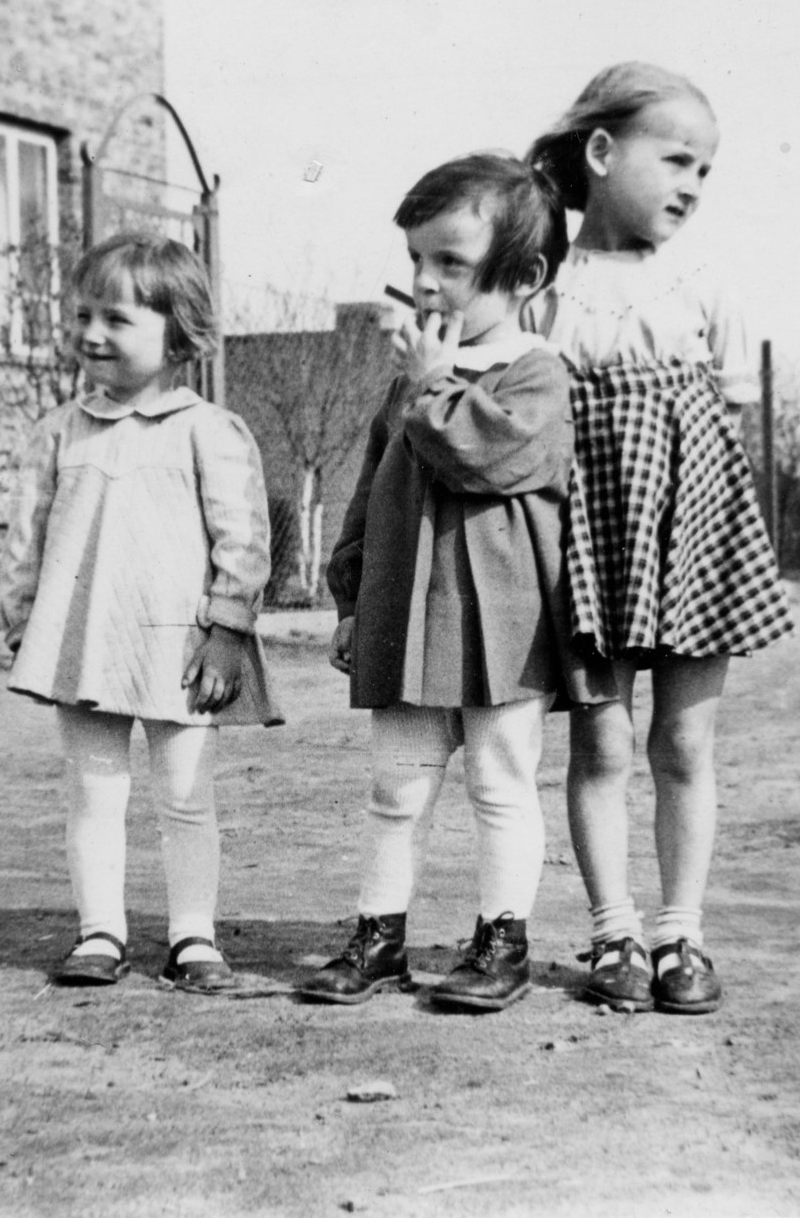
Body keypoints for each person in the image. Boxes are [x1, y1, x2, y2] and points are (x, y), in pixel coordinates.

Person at [526, 62, 792, 1015]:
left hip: (692, 535)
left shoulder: (704, 285)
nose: (691, 185)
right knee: (600, 745)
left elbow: (730, 431)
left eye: (705, 170)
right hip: (586, 539)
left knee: (683, 740)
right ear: (601, 152)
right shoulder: (541, 290)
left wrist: (709, 538)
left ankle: (682, 933)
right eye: (675, 160)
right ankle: (614, 934)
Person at [298, 153, 580, 1012]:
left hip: (504, 628)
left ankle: (501, 943)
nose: (423, 282)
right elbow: (368, 494)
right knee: (397, 786)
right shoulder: (409, 384)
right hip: (408, 619)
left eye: (450, 263)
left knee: (499, 782)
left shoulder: (537, 374)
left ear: (524, 277)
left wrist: (430, 386)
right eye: (416, 258)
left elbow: (486, 457)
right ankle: (378, 938)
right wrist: (352, 600)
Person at [0, 232, 281, 995]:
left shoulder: (207, 430)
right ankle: (99, 932)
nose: (92, 333)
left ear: (178, 334)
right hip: (84, 642)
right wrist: (24, 622)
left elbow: (242, 538)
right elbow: (26, 537)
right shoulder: (58, 432)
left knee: (186, 796)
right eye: (83, 315)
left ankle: (193, 936)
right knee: (93, 791)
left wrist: (228, 630)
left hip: (177, 647)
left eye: (116, 319)